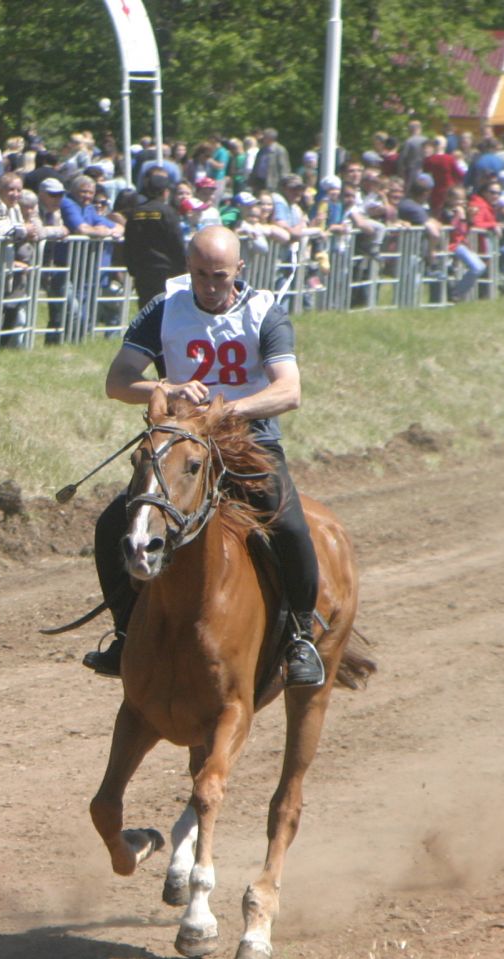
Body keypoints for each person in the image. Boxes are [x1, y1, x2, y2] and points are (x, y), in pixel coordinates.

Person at [89, 224, 326, 687]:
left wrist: (223, 411)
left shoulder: (264, 313)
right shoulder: (164, 310)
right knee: (113, 523)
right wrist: (165, 387)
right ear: (188, 270)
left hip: (248, 442)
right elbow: (117, 382)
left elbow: (288, 391)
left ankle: (301, 636)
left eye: (219, 275)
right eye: (200, 275)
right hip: (180, 445)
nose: (210, 286)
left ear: (239, 269)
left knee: (291, 526)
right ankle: (125, 633)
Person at [114, 166, 187, 309]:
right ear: (165, 192)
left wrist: (132, 268)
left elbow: (129, 242)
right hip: (166, 271)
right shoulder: (168, 213)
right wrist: (183, 268)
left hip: (142, 271)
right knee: (166, 310)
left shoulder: (135, 213)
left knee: (146, 309)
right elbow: (176, 242)